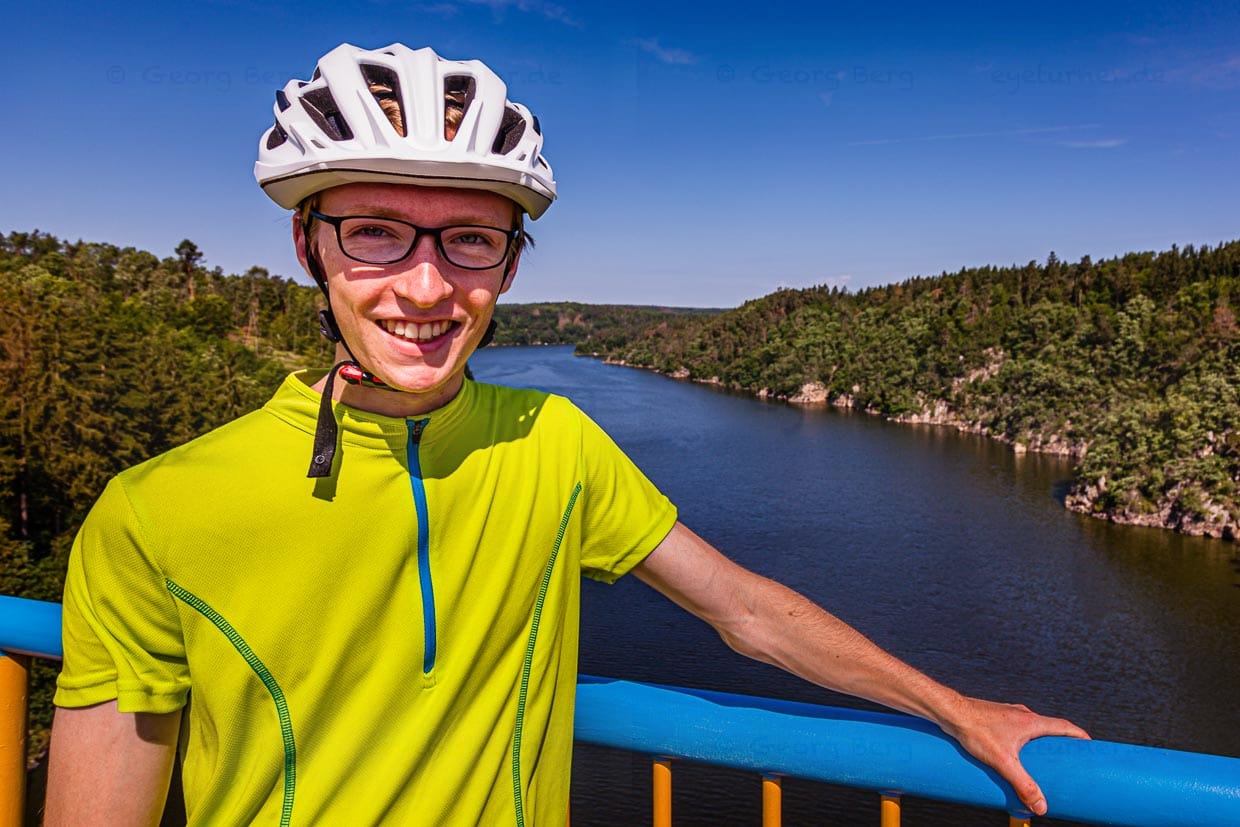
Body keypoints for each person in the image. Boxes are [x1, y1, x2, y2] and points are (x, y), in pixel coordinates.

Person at [45, 42, 1087, 825]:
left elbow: (745, 610)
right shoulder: (157, 512)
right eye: (373, 230)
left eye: (469, 240)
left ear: (507, 263)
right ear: (308, 246)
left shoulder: (554, 440)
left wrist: (954, 706)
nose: (424, 282)